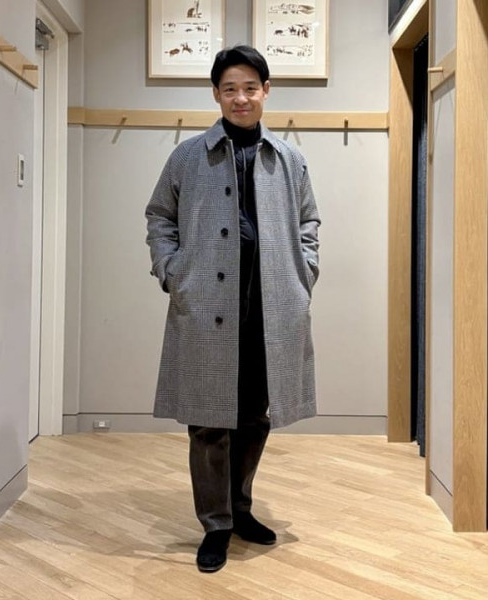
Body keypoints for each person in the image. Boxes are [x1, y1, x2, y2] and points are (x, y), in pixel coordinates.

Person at [145, 45, 320, 573]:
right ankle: (215, 524)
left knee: (254, 416)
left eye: (249, 88)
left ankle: (241, 508)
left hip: (270, 309)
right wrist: (171, 271)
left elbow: (309, 222)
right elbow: (160, 216)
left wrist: (304, 273)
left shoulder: (289, 159)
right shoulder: (186, 157)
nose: (240, 98)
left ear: (266, 91)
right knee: (207, 421)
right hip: (205, 307)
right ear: (216, 95)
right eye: (229, 89)